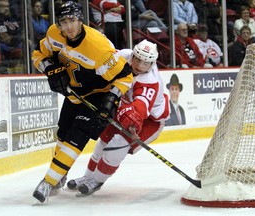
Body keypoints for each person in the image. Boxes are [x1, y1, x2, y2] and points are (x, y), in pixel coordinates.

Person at [31, 1, 133, 203]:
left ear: (81, 20)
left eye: (72, 20)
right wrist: (50, 69)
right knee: (62, 135)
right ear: (58, 24)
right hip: (74, 94)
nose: (68, 27)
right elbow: (38, 55)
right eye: (63, 22)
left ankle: (48, 182)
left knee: (76, 138)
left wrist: (111, 98)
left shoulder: (98, 48)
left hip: (98, 96)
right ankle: (59, 176)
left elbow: (125, 77)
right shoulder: (54, 34)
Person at [65, 39, 170, 195]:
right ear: (133, 54)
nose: (140, 66)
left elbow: (140, 108)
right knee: (104, 139)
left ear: (152, 64)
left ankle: (97, 180)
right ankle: (87, 177)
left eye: (145, 63)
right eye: (138, 59)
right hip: (126, 107)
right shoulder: (123, 56)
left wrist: (133, 126)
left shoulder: (150, 81)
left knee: (118, 144)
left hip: (150, 121)